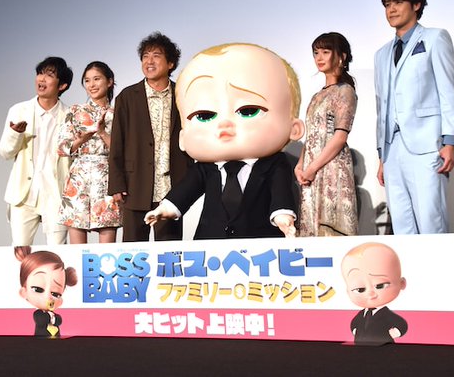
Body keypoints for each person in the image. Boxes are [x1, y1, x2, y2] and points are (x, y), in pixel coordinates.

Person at [144, 43, 305, 239]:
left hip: (259, 240)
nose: (224, 125)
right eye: (204, 115)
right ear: (183, 138)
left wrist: (282, 215)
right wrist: (166, 208)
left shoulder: (275, 164)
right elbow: (186, 190)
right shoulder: (205, 168)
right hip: (211, 240)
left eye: (248, 111)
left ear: (294, 128)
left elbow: (281, 191)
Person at [374, 0, 454, 234]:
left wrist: (450, 141)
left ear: (416, 5)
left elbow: (448, 92)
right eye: (387, 4)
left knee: (431, 220)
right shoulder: (381, 54)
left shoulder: (435, 38)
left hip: (426, 143)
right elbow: (381, 106)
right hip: (392, 148)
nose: (391, 9)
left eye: (398, 2)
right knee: (402, 225)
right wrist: (382, 154)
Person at [108, 33, 192, 242]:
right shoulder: (127, 97)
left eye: (156, 56)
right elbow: (117, 143)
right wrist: (117, 184)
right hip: (135, 185)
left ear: (170, 64)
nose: (149, 61)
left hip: (171, 187)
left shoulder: (182, 95)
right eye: (145, 56)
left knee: (169, 249)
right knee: (133, 251)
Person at [0, 56, 73, 245]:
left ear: (62, 85)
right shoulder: (19, 110)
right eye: (40, 73)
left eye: (49, 75)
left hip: (56, 195)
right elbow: (5, 152)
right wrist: (16, 134)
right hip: (24, 195)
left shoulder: (70, 115)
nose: (41, 79)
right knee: (20, 252)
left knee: (57, 254)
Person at [296, 32, 358, 236]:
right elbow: (312, 134)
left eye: (325, 51)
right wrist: (300, 165)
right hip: (311, 168)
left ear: (342, 56)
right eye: (316, 53)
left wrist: (312, 167)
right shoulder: (317, 95)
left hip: (332, 167)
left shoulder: (345, 90)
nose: (319, 57)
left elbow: (340, 137)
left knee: (330, 230)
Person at [57, 61, 121, 243]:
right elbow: (62, 148)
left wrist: (102, 133)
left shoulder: (118, 113)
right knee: (77, 241)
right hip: (79, 177)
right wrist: (82, 139)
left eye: (96, 79)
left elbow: (123, 151)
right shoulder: (75, 111)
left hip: (107, 176)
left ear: (110, 81)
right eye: (87, 80)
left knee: (107, 239)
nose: (91, 84)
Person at [341, 242, 408, 345]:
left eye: (380, 285)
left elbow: (401, 325)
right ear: (348, 291)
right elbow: (354, 323)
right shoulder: (361, 314)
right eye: (360, 289)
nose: (371, 293)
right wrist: (356, 332)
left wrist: (390, 334)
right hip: (360, 348)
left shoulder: (386, 314)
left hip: (384, 348)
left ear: (401, 283)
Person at [15, 246, 78, 338]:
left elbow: (59, 320)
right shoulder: (39, 314)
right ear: (24, 292)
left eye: (56, 294)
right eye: (38, 289)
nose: (48, 296)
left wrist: (53, 318)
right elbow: (41, 320)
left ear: (61, 300)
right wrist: (52, 319)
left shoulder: (53, 314)